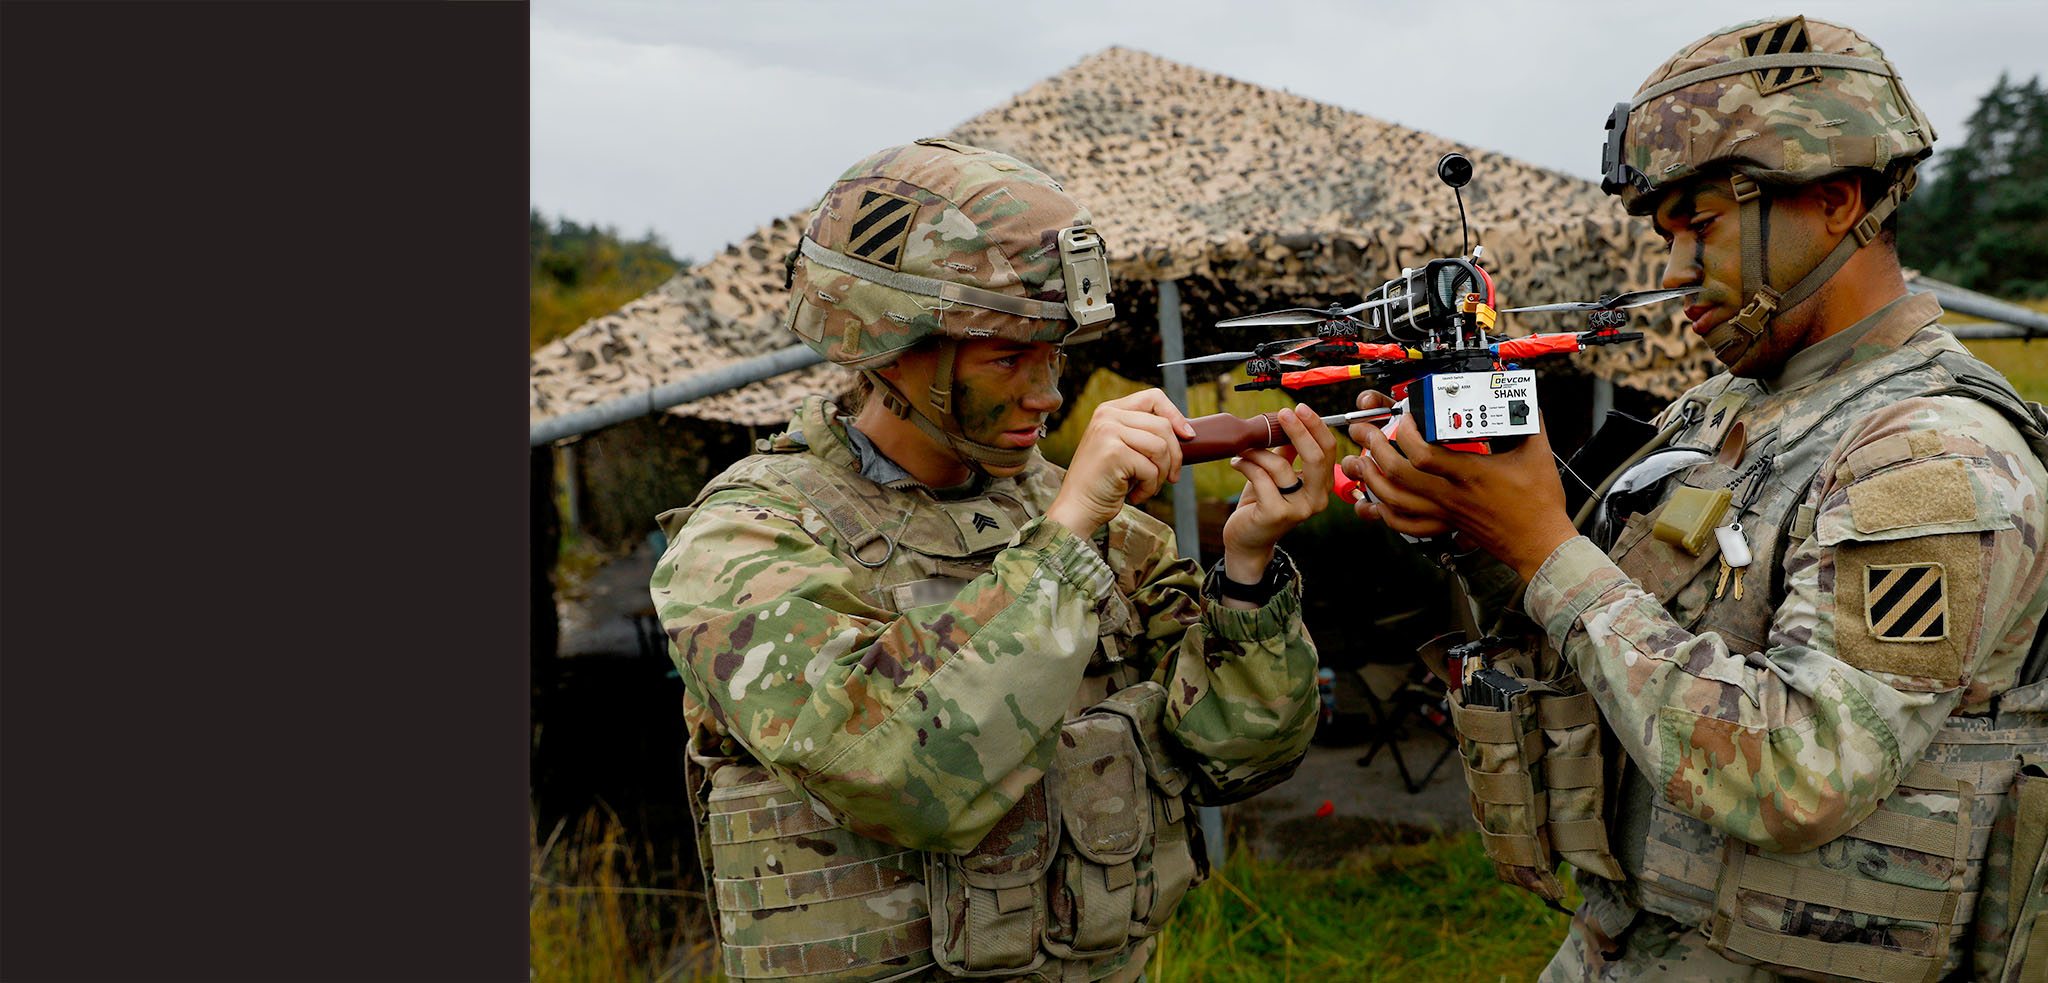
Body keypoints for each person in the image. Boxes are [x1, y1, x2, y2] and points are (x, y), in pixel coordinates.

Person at [1342, 17, 2048, 982]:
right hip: (1635, 937)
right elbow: (1599, 634)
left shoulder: (1935, 453)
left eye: (1700, 225)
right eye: (1665, 232)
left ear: (1836, 202)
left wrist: (1544, 544)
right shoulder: (1722, 409)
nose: (1672, 272)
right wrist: (1475, 526)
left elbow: (1799, 773)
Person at [651, 138, 1334, 983]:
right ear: (892, 348)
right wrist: (1064, 538)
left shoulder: (1094, 527)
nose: (1048, 393)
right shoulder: (747, 537)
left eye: (1054, 355)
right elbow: (892, 768)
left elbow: (1238, 752)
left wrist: (1247, 566)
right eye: (1009, 357)